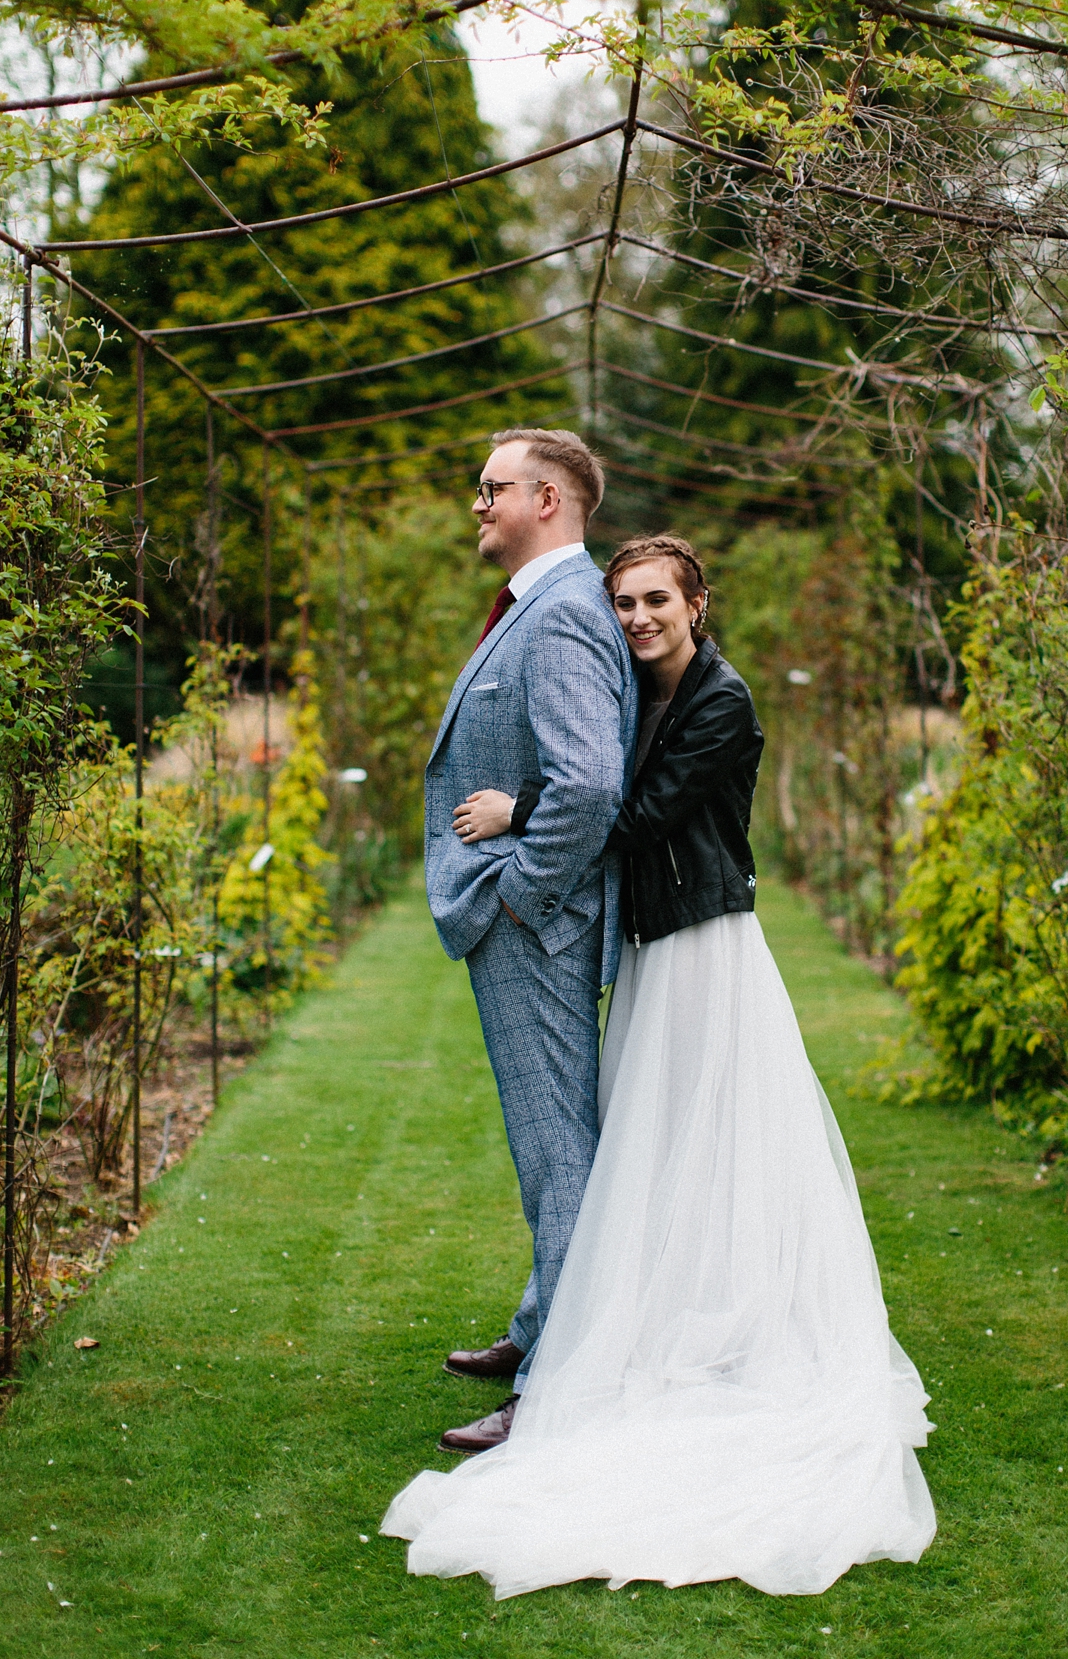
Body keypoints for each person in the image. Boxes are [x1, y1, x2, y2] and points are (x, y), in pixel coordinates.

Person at [382, 534, 936, 1596]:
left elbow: (633, 815)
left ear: (698, 605)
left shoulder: (720, 703)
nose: (638, 620)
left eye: (655, 603)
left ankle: (682, 1338)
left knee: (692, 1136)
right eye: (625, 604)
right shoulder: (647, 692)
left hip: (702, 950)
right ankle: (645, 1315)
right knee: (656, 1144)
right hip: (651, 947)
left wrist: (516, 811)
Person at [420, 428, 636, 1455]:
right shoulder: (546, 605)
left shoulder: (559, 617)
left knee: (559, 1157)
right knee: (552, 1146)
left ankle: (559, 1387)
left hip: (537, 930)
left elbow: (590, 782)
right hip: (531, 924)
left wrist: (522, 894)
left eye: (490, 488)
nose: (477, 503)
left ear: (548, 499)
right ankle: (543, 1323)